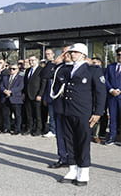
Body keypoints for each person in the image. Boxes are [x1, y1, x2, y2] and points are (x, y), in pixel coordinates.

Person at [52, 44, 105, 186]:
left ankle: (84, 172)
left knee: (82, 141)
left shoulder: (93, 70)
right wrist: (57, 62)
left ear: (83, 54)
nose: (71, 54)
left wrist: (98, 112)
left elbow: (100, 92)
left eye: (75, 52)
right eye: (71, 52)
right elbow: (50, 76)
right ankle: (72, 169)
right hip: (67, 110)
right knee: (69, 141)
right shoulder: (66, 69)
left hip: (83, 112)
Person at [24, 55, 47, 136]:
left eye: (33, 60)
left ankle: (38, 129)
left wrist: (40, 94)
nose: (31, 62)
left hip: (36, 95)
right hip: (28, 95)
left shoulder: (41, 70)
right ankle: (29, 128)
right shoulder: (27, 70)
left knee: (38, 114)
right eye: (30, 60)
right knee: (29, 114)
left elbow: (43, 83)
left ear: (37, 60)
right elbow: (25, 83)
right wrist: (24, 93)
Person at [104, 47, 121, 145]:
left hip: (120, 94)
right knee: (113, 118)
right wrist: (111, 89)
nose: (120, 57)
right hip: (112, 96)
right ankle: (112, 137)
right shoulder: (110, 67)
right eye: (118, 54)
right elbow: (106, 80)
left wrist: (119, 90)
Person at [1, 63, 24, 134]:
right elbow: (1, 85)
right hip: (6, 98)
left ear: (18, 70)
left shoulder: (20, 78)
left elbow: (20, 87)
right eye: (10, 69)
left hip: (15, 98)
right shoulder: (5, 77)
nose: (11, 70)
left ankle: (17, 129)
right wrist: (4, 91)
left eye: (14, 69)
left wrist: (11, 91)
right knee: (6, 114)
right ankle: (7, 128)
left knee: (17, 115)